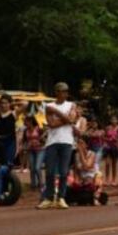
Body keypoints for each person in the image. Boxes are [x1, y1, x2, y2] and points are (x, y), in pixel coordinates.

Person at [39, 82, 77, 210]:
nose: (64, 94)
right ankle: (49, 198)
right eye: (61, 91)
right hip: (52, 141)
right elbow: (51, 124)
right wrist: (66, 118)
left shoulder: (71, 105)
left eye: (65, 91)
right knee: (49, 171)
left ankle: (61, 197)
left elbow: (71, 120)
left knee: (63, 172)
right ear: (56, 92)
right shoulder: (49, 105)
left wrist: (56, 112)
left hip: (67, 141)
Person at [0, 93, 19, 166]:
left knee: (8, 163)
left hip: (10, 141)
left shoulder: (14, 113)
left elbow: (25, 104)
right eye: (2, 103)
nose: (3, 105)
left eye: (6, 103)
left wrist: (13, 103)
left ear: (10, 104)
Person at [23, 116, 45, 194]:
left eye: (26, 121)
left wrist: (40, 140)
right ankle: (33, 185)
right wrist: (26, 147)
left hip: (40, 150)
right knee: (32, 168)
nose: (25, 123)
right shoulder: (25, 131)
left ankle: (41, 184)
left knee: (37, 167)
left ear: (31, 121)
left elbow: (44, 139)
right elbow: (24, 141)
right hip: (31, 151)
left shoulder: (38, 129)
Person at [102, 115, 118, 186]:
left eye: (115, 119)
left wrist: (117, 140)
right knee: (107, 163)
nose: (113, 121)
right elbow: (103, 137)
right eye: (112, 119)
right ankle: (107, 179)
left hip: (115, 147)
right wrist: (108, 140)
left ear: (117, 121)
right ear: (110, 120)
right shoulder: (107, 128)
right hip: (108, 147)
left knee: (114, 164)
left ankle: (114, 180)